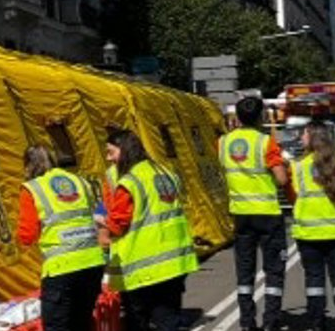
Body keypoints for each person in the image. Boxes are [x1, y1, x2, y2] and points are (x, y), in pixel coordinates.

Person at [103, 129, 198, 331]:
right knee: (169, 319)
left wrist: (101, 224)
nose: (109, 158)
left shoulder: (129, 182)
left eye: (111, 152)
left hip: (145, 268)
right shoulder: (165, 172)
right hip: (175, 261)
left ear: (124, 150)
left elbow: (117, 224)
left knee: (140, 321)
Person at [219, 96, 289, 331]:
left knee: (245, 271)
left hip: (240, 213)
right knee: (274, 271)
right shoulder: (265, 142)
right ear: (260, 117)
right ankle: (271, 321)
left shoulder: (223, 142)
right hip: (267, 213)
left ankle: (247, 322)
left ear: (238, 117)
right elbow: (281, 179)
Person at [19, 145, 105, 331]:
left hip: (61, 269)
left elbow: (27, 235)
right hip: (93, 264)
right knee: (82, 323)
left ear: (28, 165)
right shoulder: (80, 181)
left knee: (57, 326)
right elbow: (93, 213)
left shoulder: (32, 189)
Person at [289, 121, 335, 331]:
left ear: (312, 137)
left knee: (314, 280)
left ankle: (316, 321)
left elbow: (293, 196)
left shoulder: (299, 166)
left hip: (309, 233)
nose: (301, 138)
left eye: (304, 134)